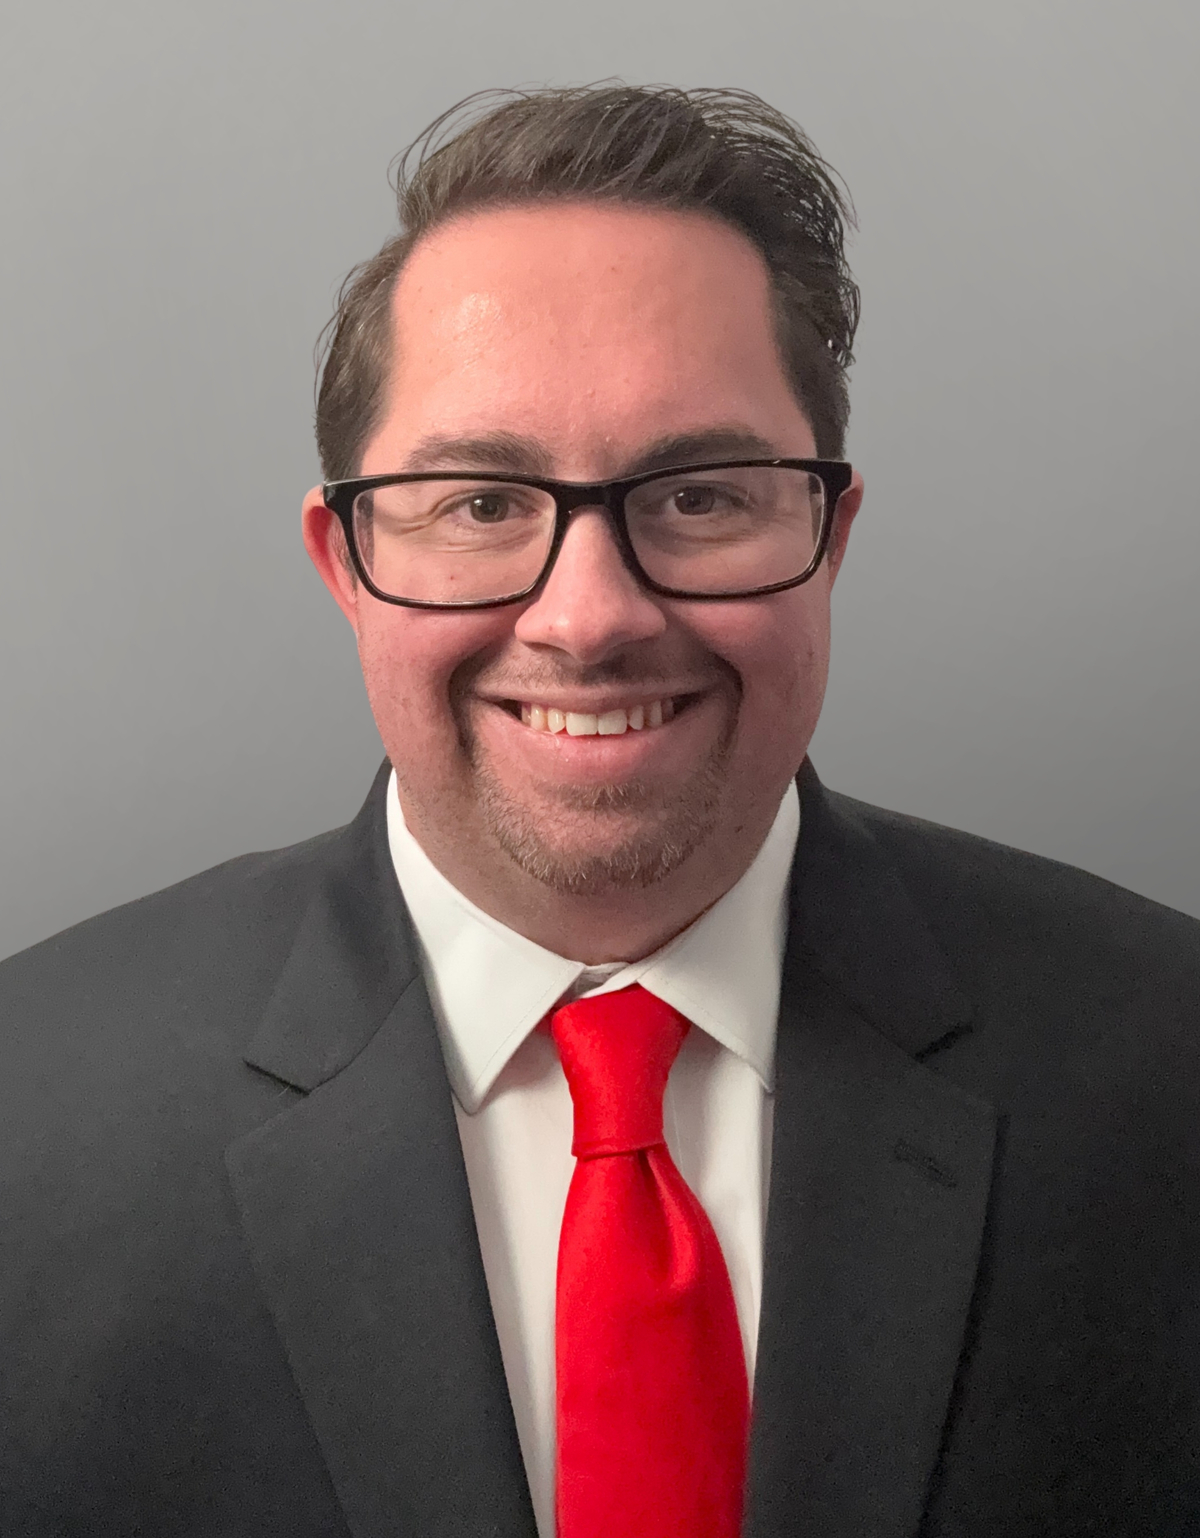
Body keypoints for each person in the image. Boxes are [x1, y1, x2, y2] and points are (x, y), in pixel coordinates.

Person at [2, 84, 1198, 1538]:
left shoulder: (1166, 1066)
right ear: (345, 560)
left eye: (698, 496)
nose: (590, 617)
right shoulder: (30, 1122)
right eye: (480, 503)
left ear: (829, 540)